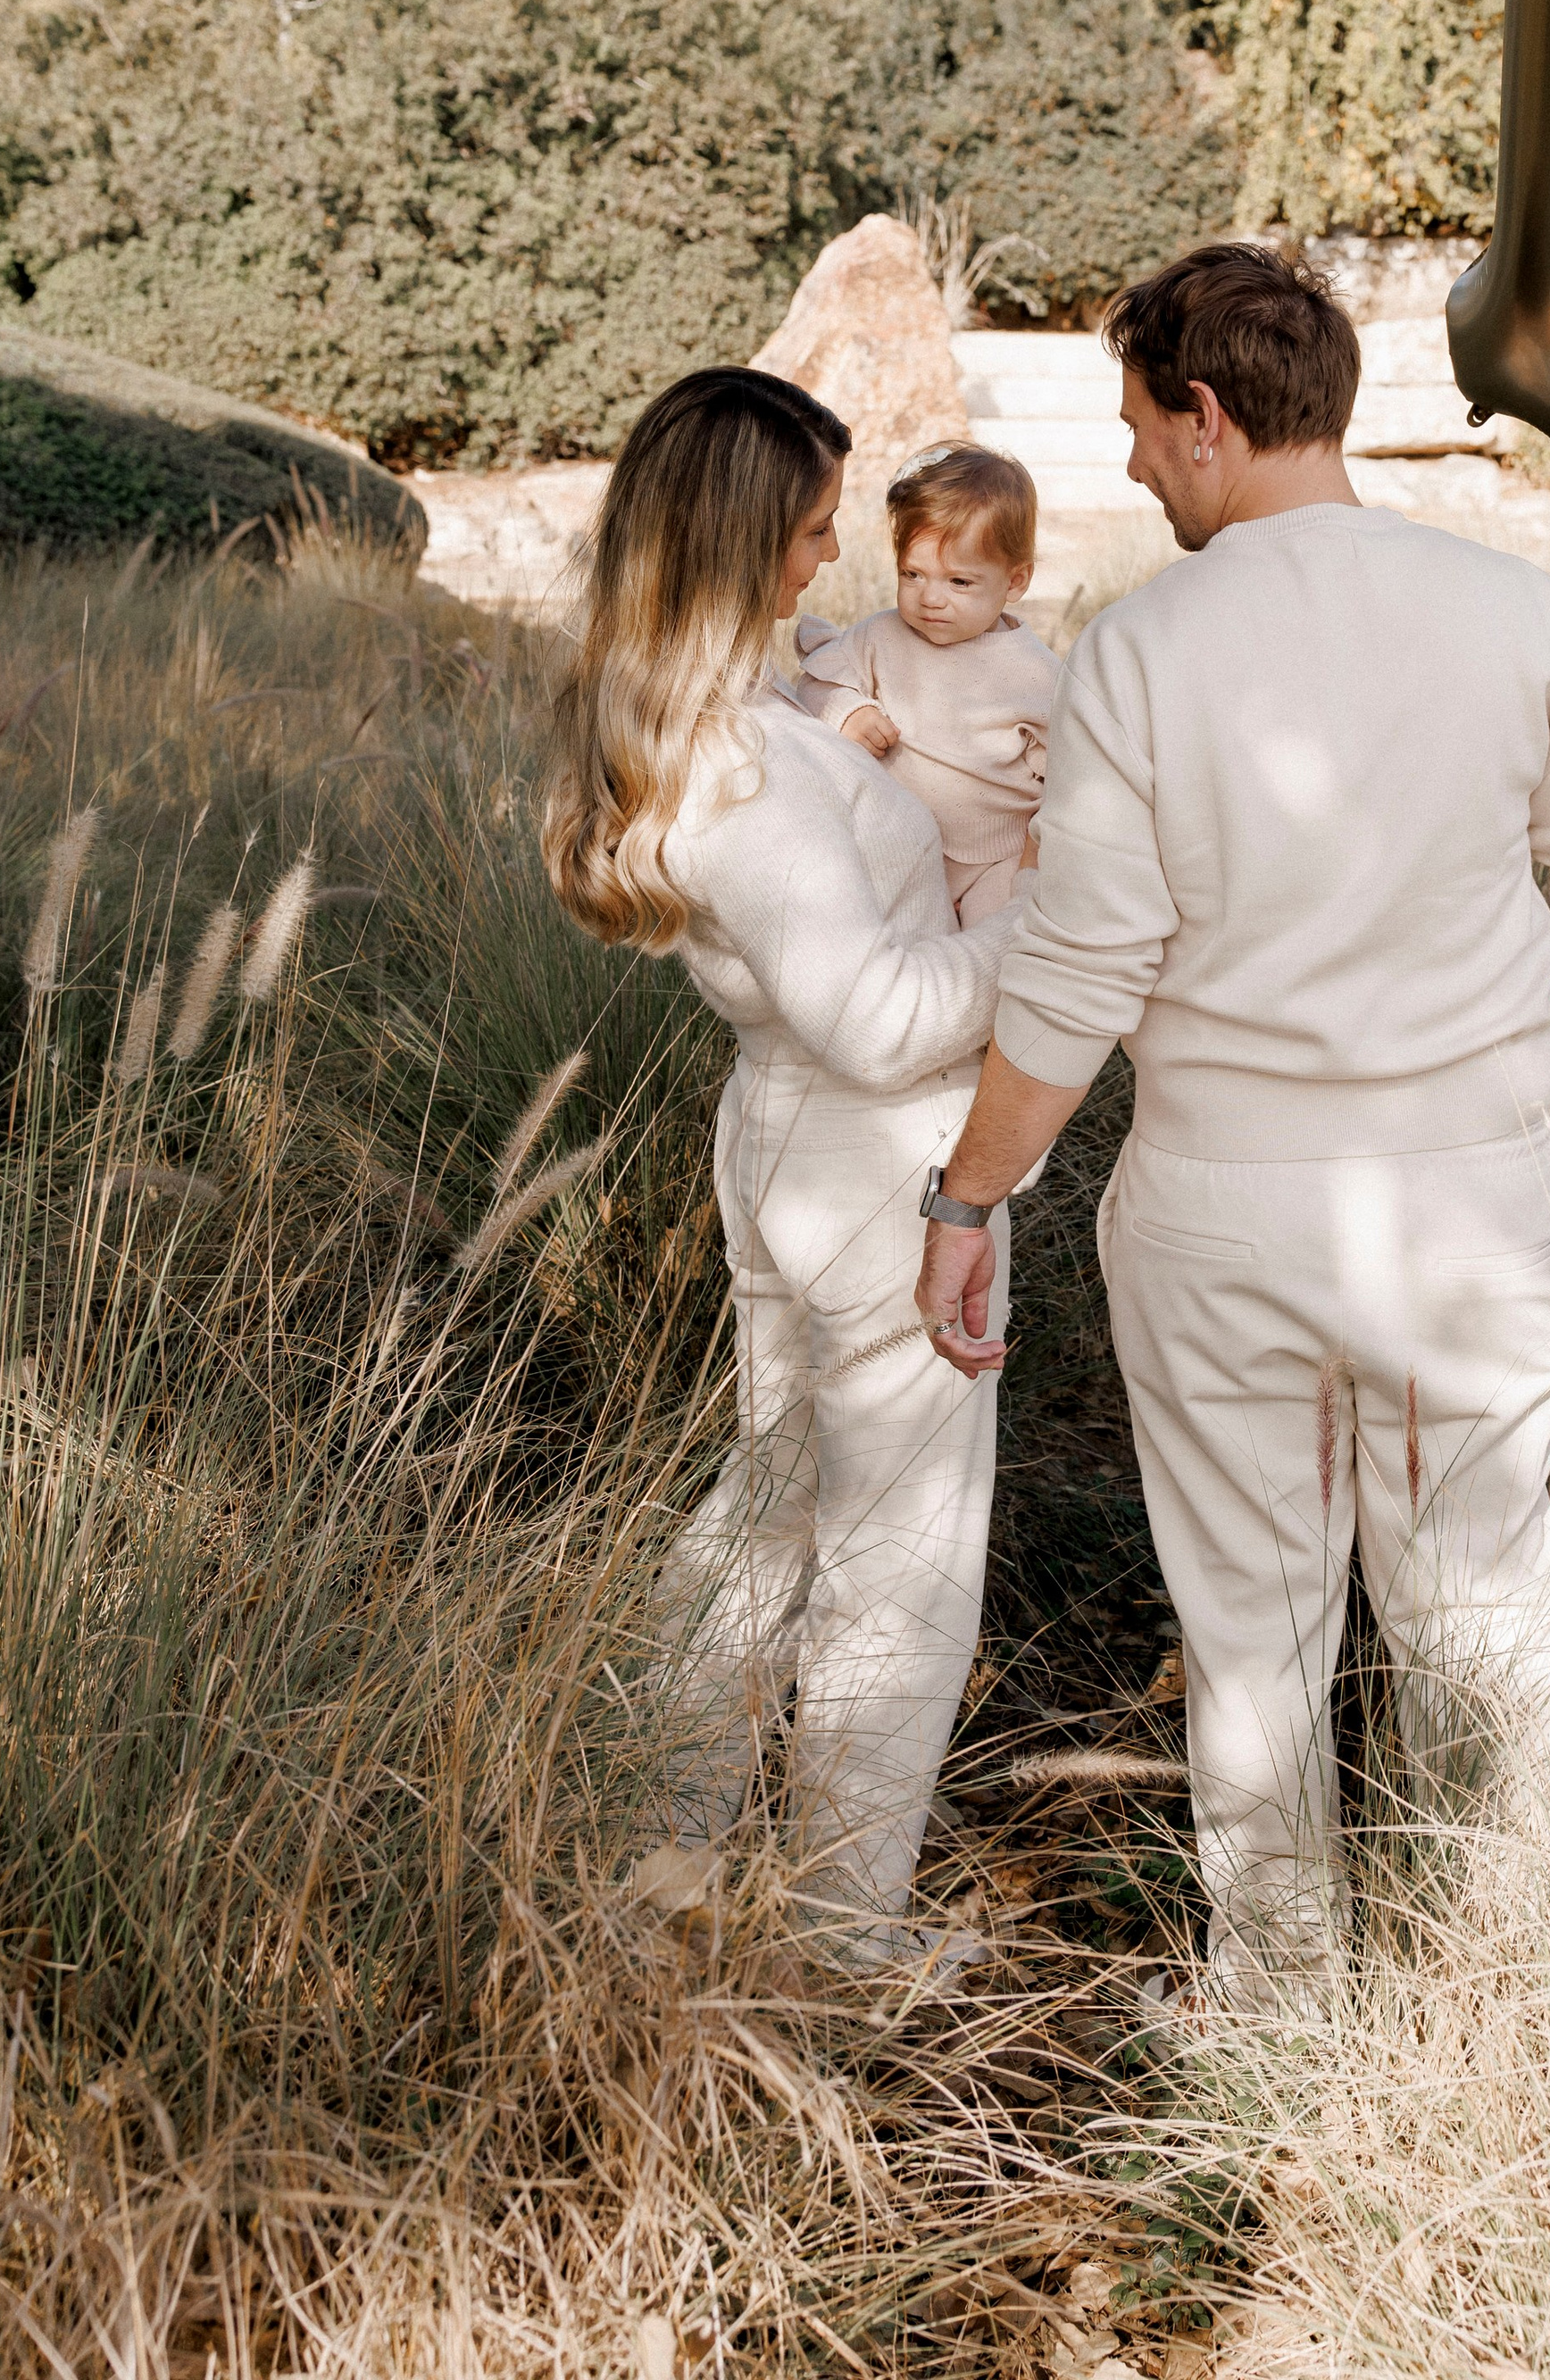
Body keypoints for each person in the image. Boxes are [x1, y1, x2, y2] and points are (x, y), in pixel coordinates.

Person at [912, 244, 1550, 1988]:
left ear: (1202, 416)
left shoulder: (1138, 651)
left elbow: (1077, 977)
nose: (1122, 466)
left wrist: (967, 1202)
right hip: (1470, 1207)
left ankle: (1276, 2014)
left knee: (1251, 1634)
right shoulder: (1507, 616)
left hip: (1220, 1205)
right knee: (1480, 1616)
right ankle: (1485, 1996)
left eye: (1131, 427)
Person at [542, 366, 1028, 1965]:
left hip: (787, 1144)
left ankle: (666, 1850)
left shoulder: (715, 721)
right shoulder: (744, 782)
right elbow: (883, 1017)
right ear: (742, 535)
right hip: (876, 1159)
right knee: (896, 1559)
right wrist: (1065, 925)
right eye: (811, 531)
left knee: (769, 1513)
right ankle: (833, 1940)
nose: (829, 563)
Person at [796, 444, 1061, 927]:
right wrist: (848, 712)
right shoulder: (881, 636)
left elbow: (1067, 777)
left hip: (995, 858)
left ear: (1015, 581)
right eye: (912, 574)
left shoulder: (1035, 674)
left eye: (959, 582)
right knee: (899, 947)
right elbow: (816, 680)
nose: (930, 598)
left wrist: (1036, 855)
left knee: (997, 941)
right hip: (899, 850)